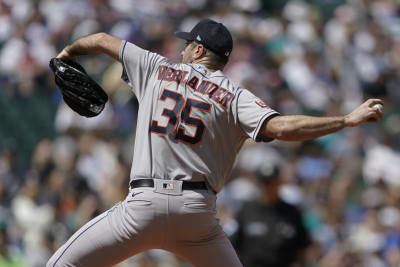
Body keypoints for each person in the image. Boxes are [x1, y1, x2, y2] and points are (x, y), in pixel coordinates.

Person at [47, 19, 383, 267]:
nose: (181, 49)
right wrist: (345, 120)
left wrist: (68, 52)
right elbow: (282, 127)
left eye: (186, 44)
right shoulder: (236, 97)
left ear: (198, 49)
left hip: (142, 207)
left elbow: (103, 40)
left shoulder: (156, 67)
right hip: (196, 214)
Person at [230, 162, 312, 267]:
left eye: (271, 182)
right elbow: (233, 245)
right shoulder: (246, 210)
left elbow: (303, 246)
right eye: (264, 182)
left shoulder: (292, 212)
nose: (267, 186)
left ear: (279, 183)